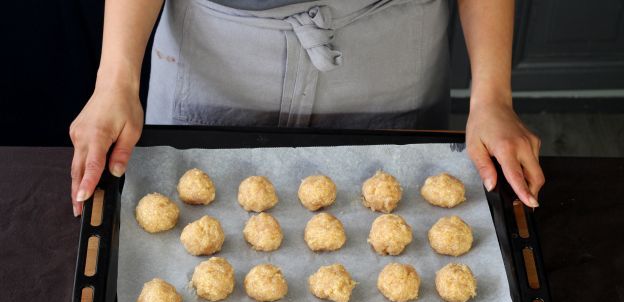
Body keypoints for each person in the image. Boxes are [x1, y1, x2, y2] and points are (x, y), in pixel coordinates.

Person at [69, 0, 544, 216]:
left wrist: (492, 98)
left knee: (398, 204)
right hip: (216, 51)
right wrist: (114, 81)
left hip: (389, 51)